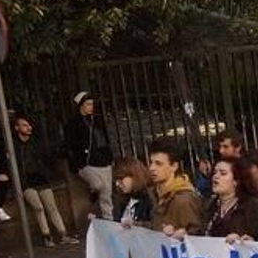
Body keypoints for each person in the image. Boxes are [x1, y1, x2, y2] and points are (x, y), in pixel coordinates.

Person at [11, 115, 73, 246]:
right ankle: (47, 236)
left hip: (41, 178)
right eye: (24, 125)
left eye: (29, 125)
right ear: (16, 128)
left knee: (52, 207)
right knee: (38, 207)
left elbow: (47, 158)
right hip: (26, 181)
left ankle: (63, 234)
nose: (28, 128)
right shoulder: (14, 146)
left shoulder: (36, 143)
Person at [64, 91, 114, 223]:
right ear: (81, 105)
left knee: (106, 195)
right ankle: (93, 191)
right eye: (87, 104)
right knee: (98, 185)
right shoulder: (74, 123)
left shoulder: (97, 119)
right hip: (87, 162)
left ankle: (109, 221)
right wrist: (77, 162)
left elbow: (105, 137)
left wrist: (109, 156)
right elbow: (70, 144)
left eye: (92, 104)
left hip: (103, 159)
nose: (91, 107)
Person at [201, 158, 258, 241]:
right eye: (215, 172)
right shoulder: (210, 205)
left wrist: (249, 241)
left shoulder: (254, 206)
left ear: (236, 181)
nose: (216, 176)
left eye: (223, 173)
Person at [146, 139, 204, 236]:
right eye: (151, 162)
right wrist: (136, 226)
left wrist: (180, 234)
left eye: (158, 164)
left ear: (174, 166)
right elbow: (156, 226)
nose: (152, 168)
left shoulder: (184, 200)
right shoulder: (154, 193)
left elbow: (195, 236)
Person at [111, 156, 152, 227]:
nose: (117, 184)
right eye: (116, 180)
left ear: (135, 176)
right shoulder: (122, 200)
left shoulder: (151, 199)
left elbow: (157, 226)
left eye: (121, 178)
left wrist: (137, 224)